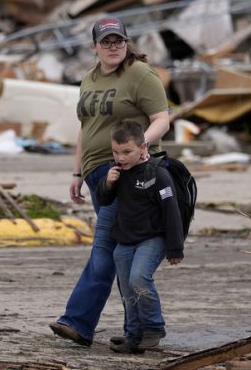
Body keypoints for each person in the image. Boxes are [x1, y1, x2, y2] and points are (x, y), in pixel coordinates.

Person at [50, 17, 170, 347]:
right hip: (96, 174)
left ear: (127, 43)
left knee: (106, 247)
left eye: (119, 40)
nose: (113, 46)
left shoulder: (140, 75)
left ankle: (78, 321)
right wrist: (76, 172)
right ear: (94, 47)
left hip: (125, 172)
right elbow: (85, 129)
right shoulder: (88, 78)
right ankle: (139, 330)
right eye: (106, 41)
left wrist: (138, 149)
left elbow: (163, 120)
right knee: (122, 252)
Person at [97, 120, 183, 354]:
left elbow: (171, 211)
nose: (121, 158)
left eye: (127, 152)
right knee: (127, 290)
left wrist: (175, 248)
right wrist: (107, 183)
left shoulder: (158, 174)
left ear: (143, 147)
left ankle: (154, 329)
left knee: (139, 279)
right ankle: (133, 336)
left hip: (152, 239)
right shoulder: (117, 172)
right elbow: (104, 200)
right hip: (124, 242)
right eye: (116, 152)